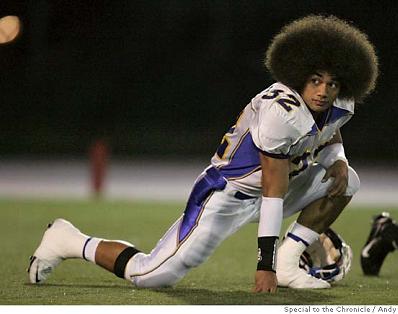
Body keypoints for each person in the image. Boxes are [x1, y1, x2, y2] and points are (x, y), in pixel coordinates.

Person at [28, 15, 378, 293]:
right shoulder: (281, 112)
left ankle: (290, 263)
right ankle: (70, 240)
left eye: (331, 83)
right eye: (315, 80)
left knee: (346, 182)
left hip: (278, 186)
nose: (323, 91)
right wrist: (263, 267)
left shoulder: (339, 101)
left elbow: (329, 129)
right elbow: (274, 189)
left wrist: (339, 161)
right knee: (151, 275)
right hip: (228, 194)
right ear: (298, 74)